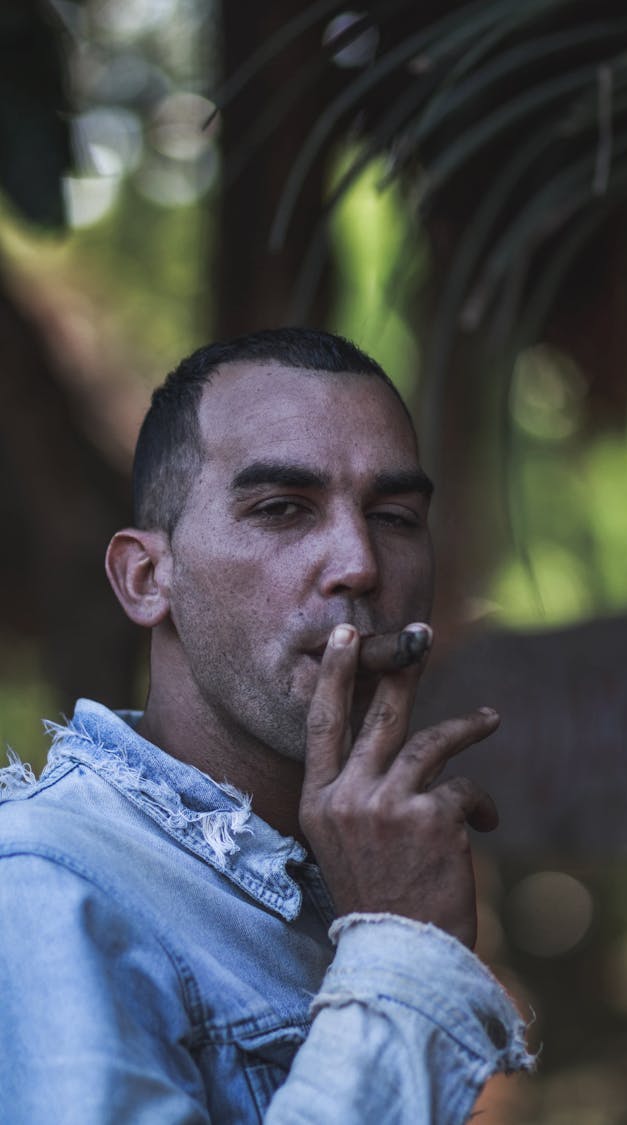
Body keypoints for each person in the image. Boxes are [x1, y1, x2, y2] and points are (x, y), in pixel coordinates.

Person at [0, 328, 533, 1123]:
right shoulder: (48, 884)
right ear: (147, 578)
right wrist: (399, 954)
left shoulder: (351, 859)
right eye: (282, 508)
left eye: (393, 515)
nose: (359, 563)